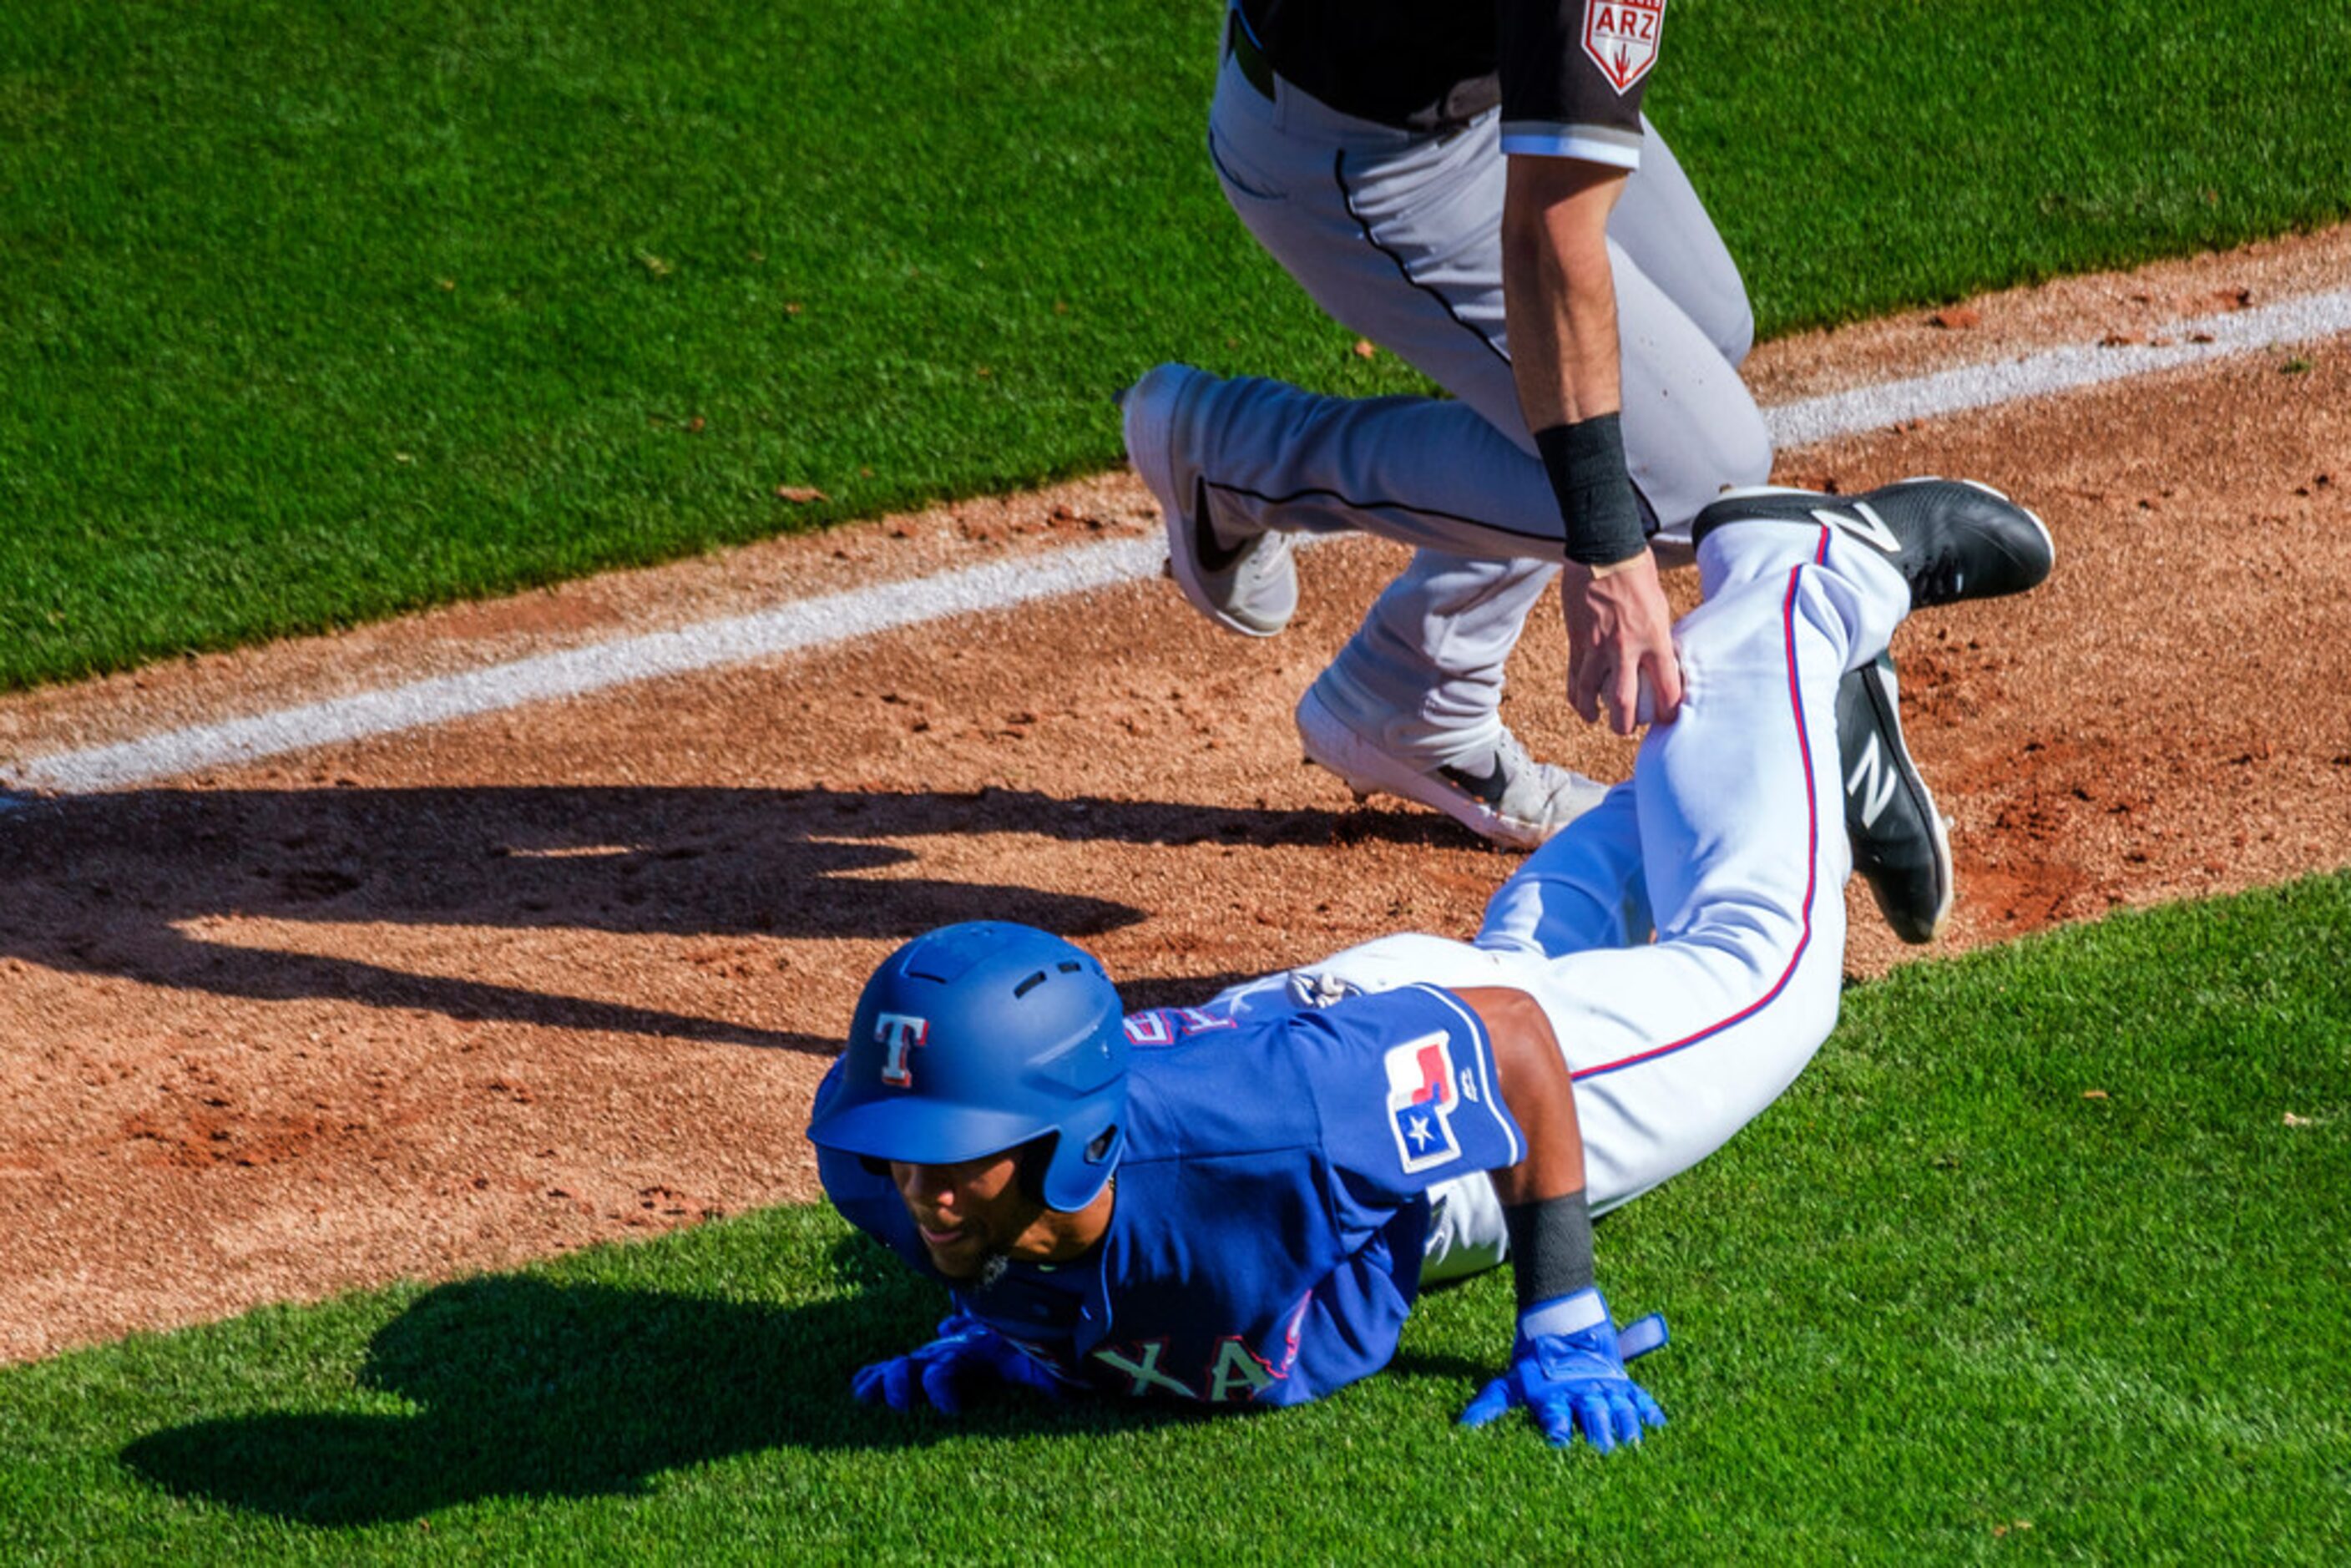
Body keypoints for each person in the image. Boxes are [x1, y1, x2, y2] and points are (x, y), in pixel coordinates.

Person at [807, 479, 2052, 1446]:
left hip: (1422, 1093)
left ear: (1070, 1142)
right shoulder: (884, 1179)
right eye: (908, 1154)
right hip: (1355, 1028)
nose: (924, 1194)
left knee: (1764, 977)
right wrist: (1001, 1319)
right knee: (1573, 942)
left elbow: (1508, 1041)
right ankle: (1812, 752)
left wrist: (1560, 1312)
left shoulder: (1269, 1133)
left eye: (954, 1160)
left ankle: (1801, 583)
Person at [1124, 1, 1767, 856]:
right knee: (1673, 489)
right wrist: (1604, 542)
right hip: (1366, 155)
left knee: (1702, 334)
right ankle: (1242, 463)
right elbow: (1545, 239)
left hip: (1451, 80)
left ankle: (1415, 682)